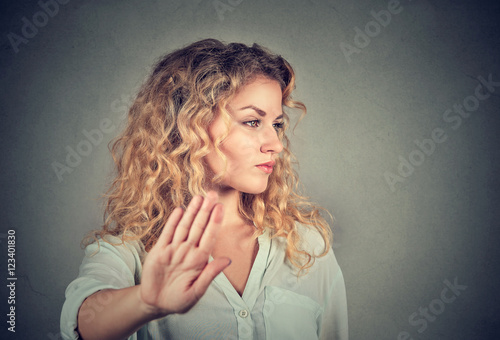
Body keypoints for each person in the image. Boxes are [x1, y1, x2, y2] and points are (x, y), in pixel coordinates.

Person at [60, 39, 348, 340]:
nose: (275, 144)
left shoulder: (306, 244)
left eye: (276, 124)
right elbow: (85, 321)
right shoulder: (129, 251)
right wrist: (146, 300)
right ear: (188, 126)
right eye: (252, 122)